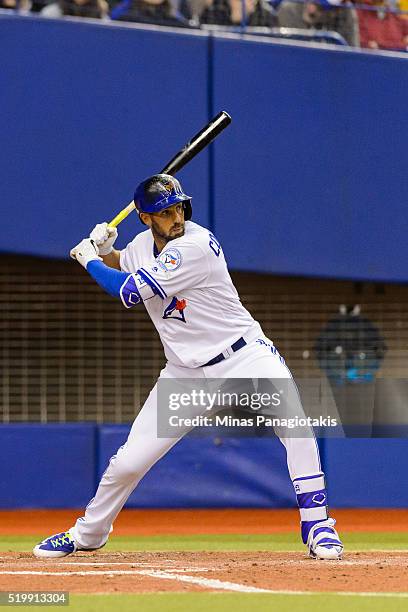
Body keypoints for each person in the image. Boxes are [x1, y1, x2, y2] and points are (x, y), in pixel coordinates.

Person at [33, 174, 343, 561]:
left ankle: (318, 527)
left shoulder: (195, 246)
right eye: (165, 211)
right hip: (185, 373)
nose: (176, 216)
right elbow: (126, 265)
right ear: (146, 219)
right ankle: (89, 534)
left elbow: (128, 291)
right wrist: (109, 250)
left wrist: (88, 259)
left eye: (179, 207)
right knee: (129, 462)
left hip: (243, 357)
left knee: (296, 426)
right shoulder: (144, 245)